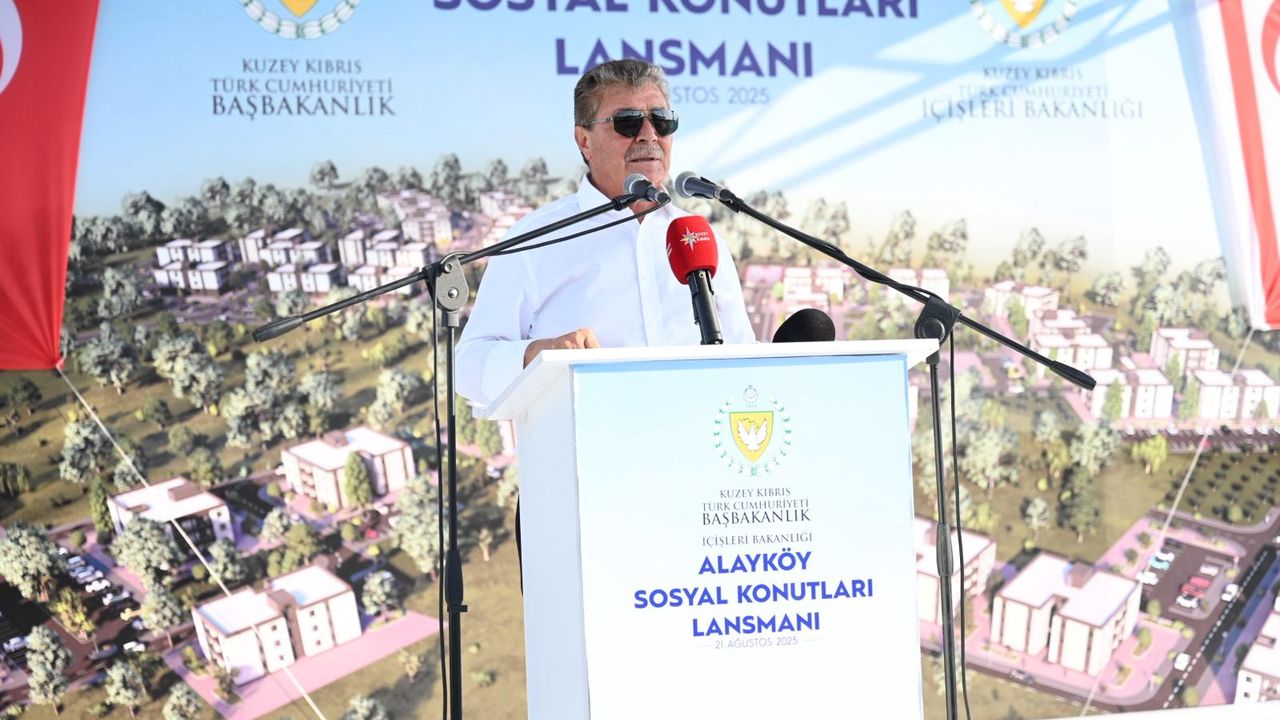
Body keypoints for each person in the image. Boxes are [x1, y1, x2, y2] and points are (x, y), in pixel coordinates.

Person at [455, 58, 755, 409]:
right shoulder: (535, 239)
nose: (649, 135)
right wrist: (537, 355)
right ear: (584, 141)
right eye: (627, 122)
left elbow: (744, 355)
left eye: (662, 121)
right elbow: (468, 368)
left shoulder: (699, 237)